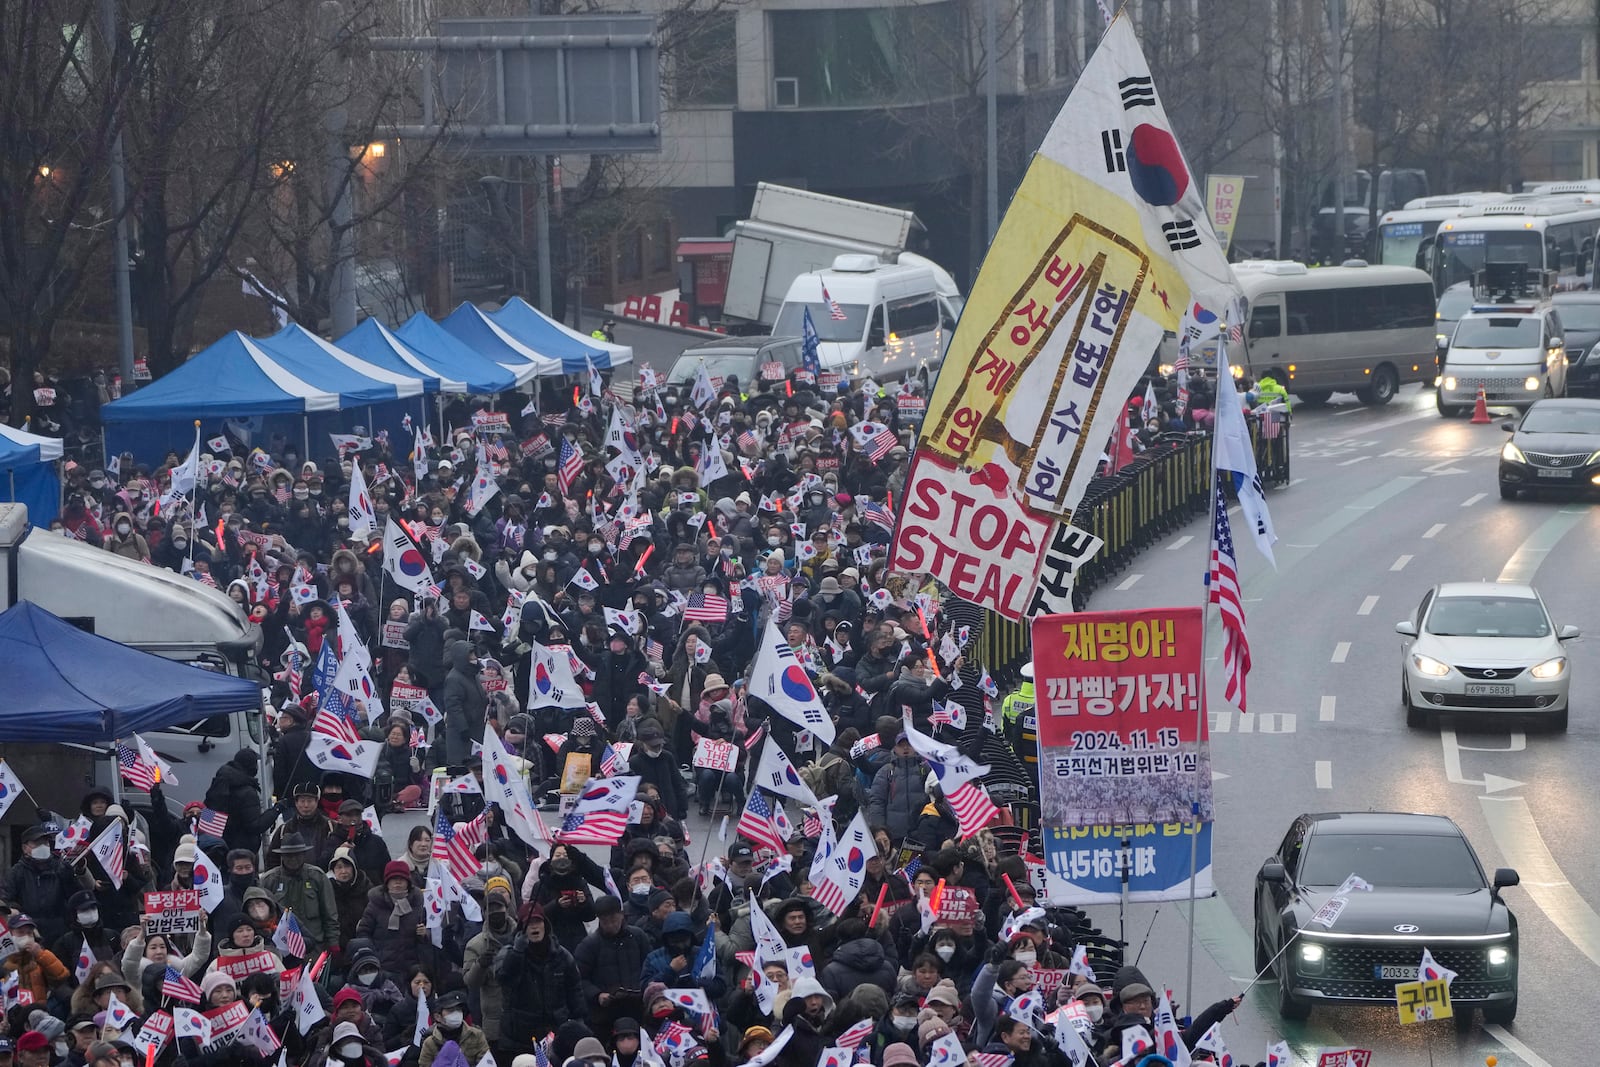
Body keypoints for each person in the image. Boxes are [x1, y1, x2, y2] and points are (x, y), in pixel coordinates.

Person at [491, 904, 584, 1059]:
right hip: (520, 1038)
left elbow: (575, 989)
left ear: (545, 925)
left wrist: (579, 1019)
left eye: (538, 922)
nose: (535, 927)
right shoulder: (509, 952)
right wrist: (517, 953)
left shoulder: (561, 955)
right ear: (522, 928)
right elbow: (504, 978)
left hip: (555, 1033)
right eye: (530, 923)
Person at [0, 825, 94, 948]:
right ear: (25, 848)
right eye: (37, 843)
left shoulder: (60, 867)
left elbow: (76, 897)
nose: (43, 846)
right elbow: (6, 900)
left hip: (61, 931)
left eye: (45, 842)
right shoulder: (17, 872)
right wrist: (17, 911)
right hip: (31, 932)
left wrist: (69, 877)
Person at [260, 831, 340, 956]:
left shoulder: (317, 877)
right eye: (288, 855)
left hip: (315, 947)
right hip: (281, 948)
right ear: (282, 856)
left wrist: (333, 943)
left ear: (304, 855)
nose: (293, 859)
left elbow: (330, 915)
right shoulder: (268, 880)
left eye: (297, 855)